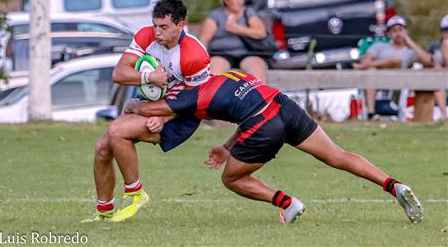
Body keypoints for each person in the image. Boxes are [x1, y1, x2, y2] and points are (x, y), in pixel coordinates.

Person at [124, 70, 424, 224]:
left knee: (232, 179)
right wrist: (228, 147)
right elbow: (245, 107)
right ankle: (393, 185)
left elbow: (153, 109)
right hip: (282, 105)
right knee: (337, 155)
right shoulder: (231, 75)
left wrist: (133, 105)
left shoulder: (189, 96)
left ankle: (287, 203)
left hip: (264, 124)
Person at [82, 0, 211, 222]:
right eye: (155, 25)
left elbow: (197, 100)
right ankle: (104, 212)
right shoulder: (146, 36)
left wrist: (164, 116)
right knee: (102, 149)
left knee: (116, 132)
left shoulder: (194, 55)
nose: (157, 32)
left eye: (164, 27)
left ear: (181, 25)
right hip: (151, 107)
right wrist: (148, 77)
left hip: (181, 115)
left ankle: (136, 194)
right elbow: (119, 74)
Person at [354, 15, 431, 119]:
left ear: (405, 31)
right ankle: (371, 113)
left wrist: (409, 41)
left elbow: (428, 61)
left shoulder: (409, 52)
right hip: (376, 80)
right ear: (389, 33)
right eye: (394, 30)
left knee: (396, 61)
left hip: (399, 83)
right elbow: (365, 63)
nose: (398, 33)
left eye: (400, 30)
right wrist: (387, 62)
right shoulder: (379, 46)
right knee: (372, 70)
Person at [199, 0, 268, 82]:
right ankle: (214, 96)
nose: (239, 2)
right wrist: (199, 60)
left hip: (246, 53)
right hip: (221, 54)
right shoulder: (216, 15)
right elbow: (204, 40)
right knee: (215, 74)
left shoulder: (248, 13)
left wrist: (237, 29)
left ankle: (260, 96)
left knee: (257, 68)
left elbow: (261, 33)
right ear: (226, 0)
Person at [426, 14, 448, 121]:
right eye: (446, 30)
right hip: (439, 79)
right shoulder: (434, 47)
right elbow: (427, 61)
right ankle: (444, 116)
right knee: (437, 83)